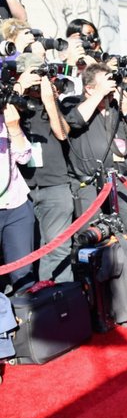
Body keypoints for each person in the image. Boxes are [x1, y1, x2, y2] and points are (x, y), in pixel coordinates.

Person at [64, 63, 127, 235]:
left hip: (119, 179)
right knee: (93, 233)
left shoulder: (118, 106)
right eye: (104, 84)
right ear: (89, 88)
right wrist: (99, 94)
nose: (110, 87)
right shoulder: (74, 104)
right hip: (87, 182)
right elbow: (75, 120)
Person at [16, 54, 73, 283]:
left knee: (58, 248)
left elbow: (63, 133)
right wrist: (19, 90)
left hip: (55, 183)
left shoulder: (50, 100)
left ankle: (59, 301)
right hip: (20, 189)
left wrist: (50, 102)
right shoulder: (10, 102)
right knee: (24, 254)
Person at [0, 86, 35, 295]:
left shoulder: (6, 120)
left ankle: (26, 323)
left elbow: (24, 157)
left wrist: (13, 127)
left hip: (16, 205)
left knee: (23, 273)